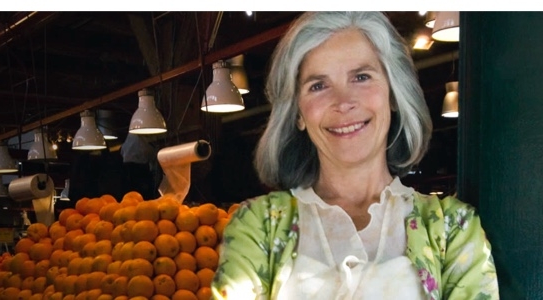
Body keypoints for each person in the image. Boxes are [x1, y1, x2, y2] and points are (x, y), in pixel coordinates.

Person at [211, 12, 499, 300]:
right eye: (318, 85)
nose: (343, 102)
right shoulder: (259, 226)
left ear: (394, 95)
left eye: (361, 77)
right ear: (298, 112)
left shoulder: (453, 229)